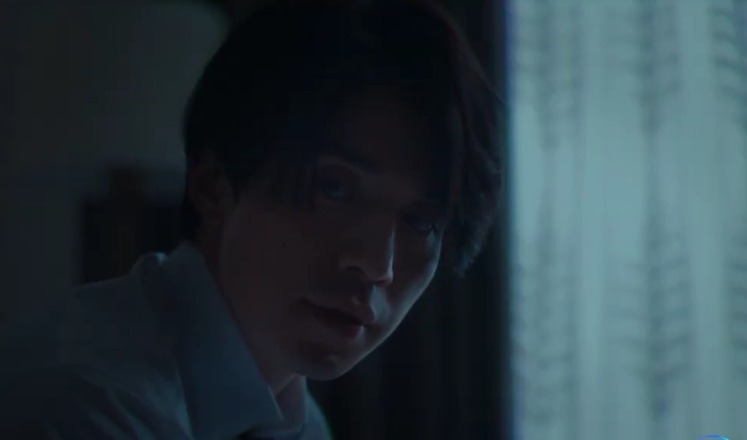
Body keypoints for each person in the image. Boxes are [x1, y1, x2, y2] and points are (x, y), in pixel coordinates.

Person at [0, 0, 503, 438]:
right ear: (212, 186)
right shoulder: (90, 406)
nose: (377, 264)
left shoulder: (295, 419)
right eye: (334, 187)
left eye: (420, 222)